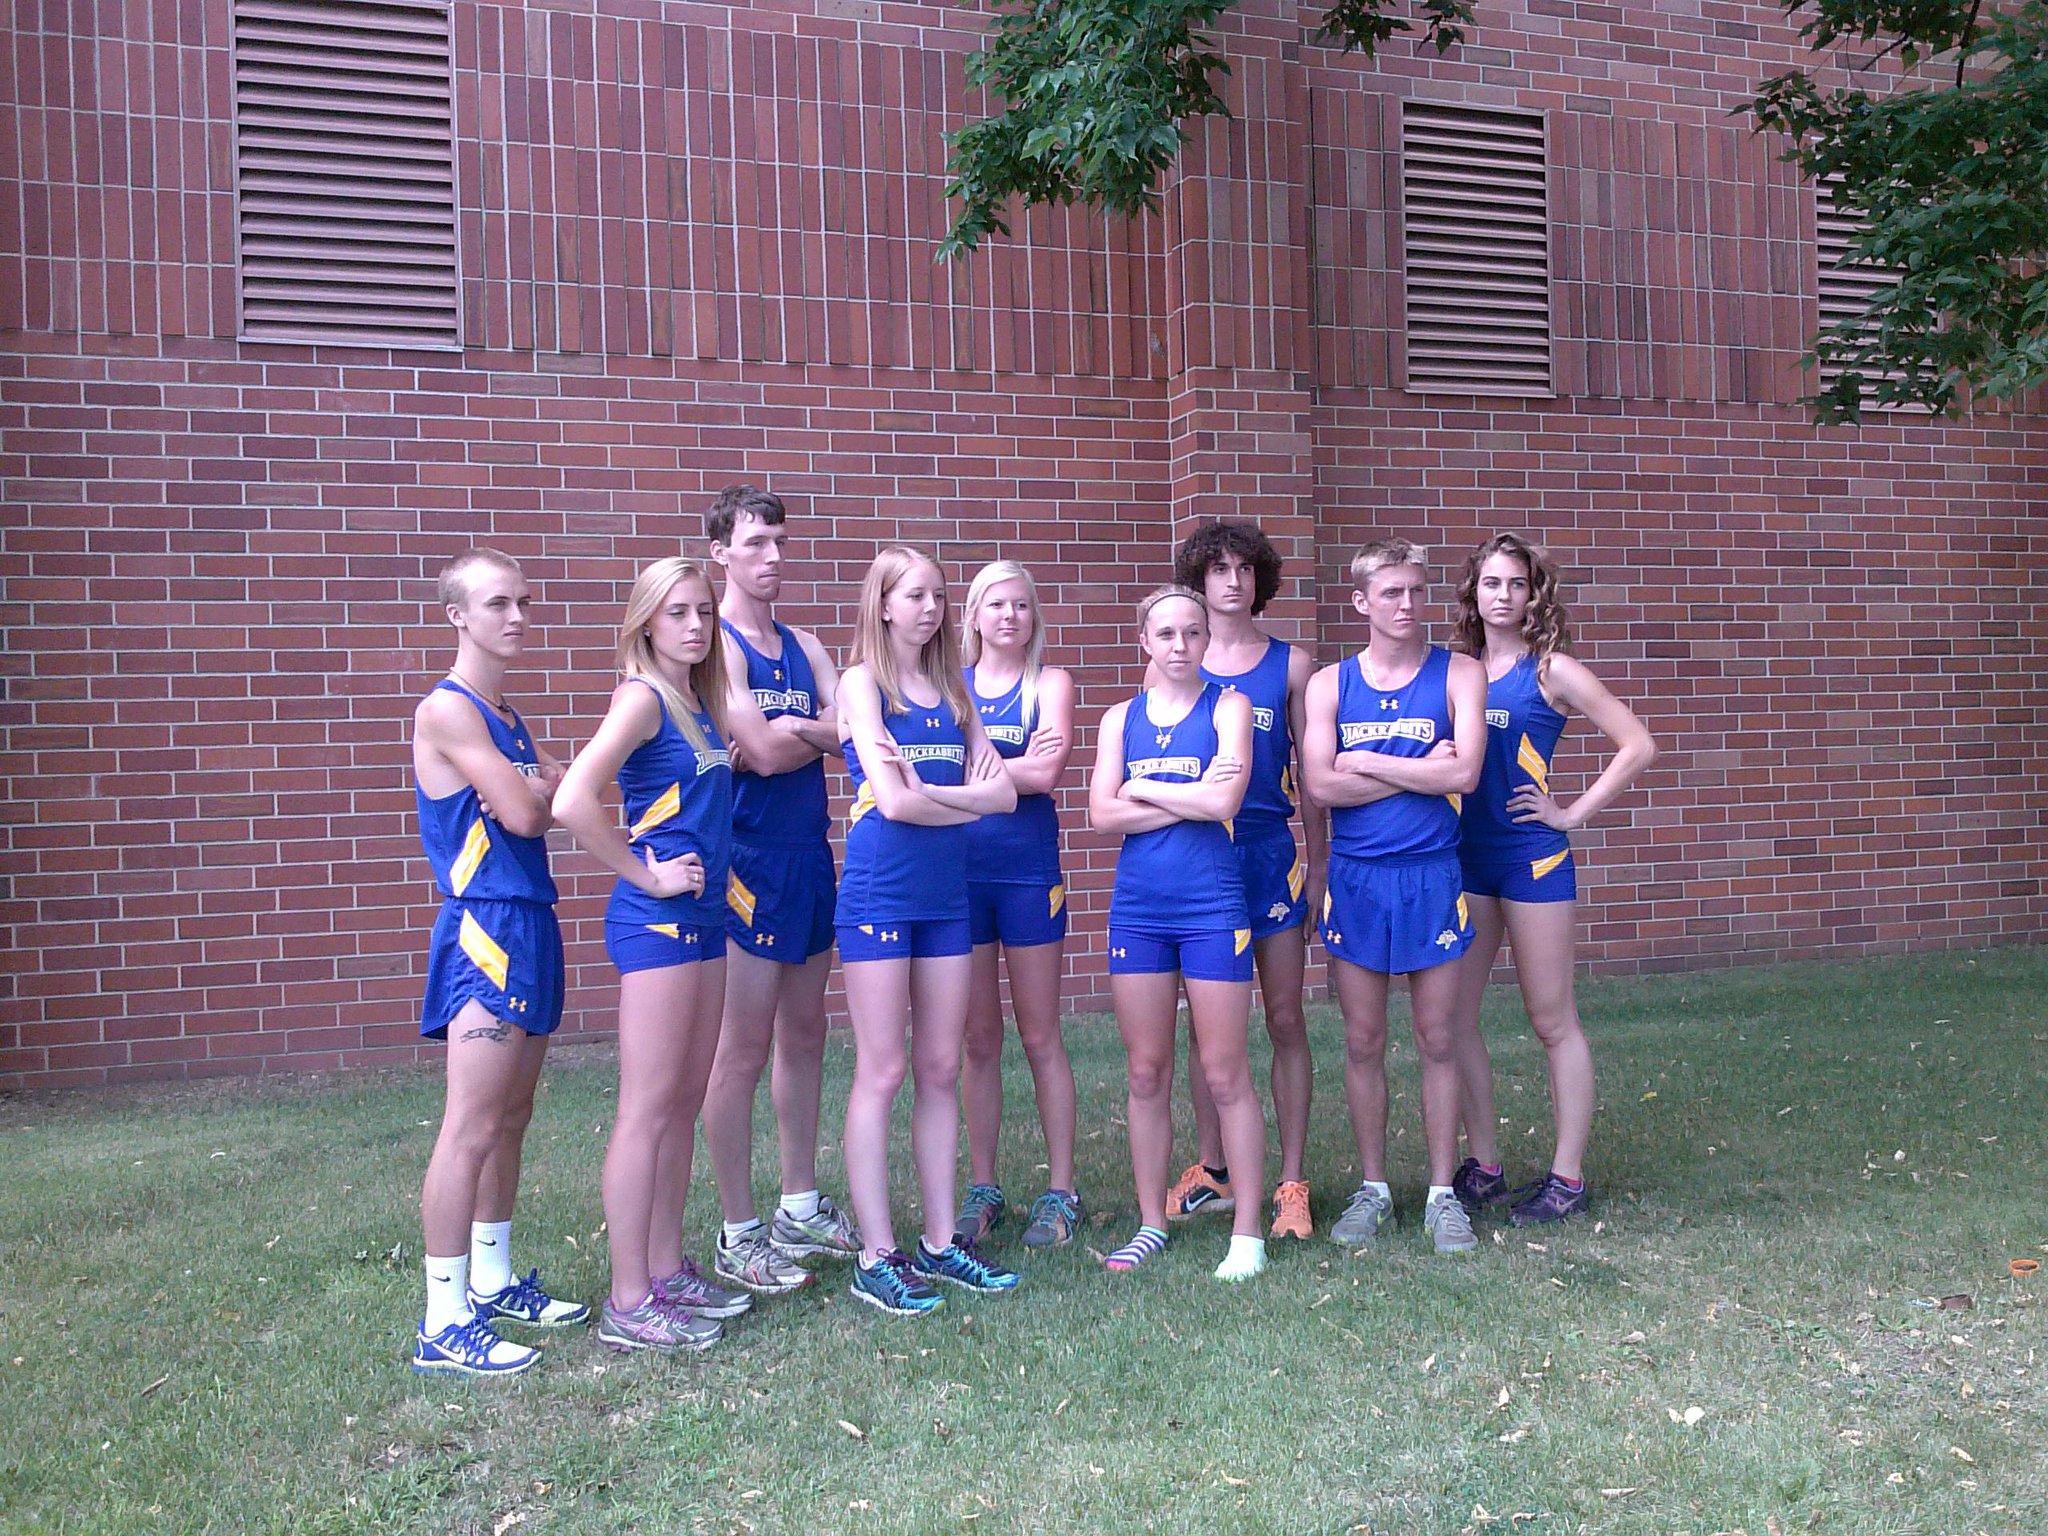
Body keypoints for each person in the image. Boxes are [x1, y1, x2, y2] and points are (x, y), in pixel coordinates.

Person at [554, 558, 818, 1352]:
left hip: (706, 920)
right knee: (646, 1106)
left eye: (703, 612)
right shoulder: (640, 697)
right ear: (645, 623)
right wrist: (645, 871)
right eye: (677, 614)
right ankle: (628, 1299)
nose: (696, 627)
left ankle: (665, 1271)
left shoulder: (697, 703)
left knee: (677, 1103)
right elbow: (573, 799)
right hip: (658, 922)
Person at [1445, 534, 1657, 1225]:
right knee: (1453, 1018)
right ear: (1472, 593)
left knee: (1551, 1019)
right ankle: (1486, 1165)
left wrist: (1569, 813)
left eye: (1515, 584)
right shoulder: (1457, 669)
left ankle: (1566, 1177)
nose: (1501, 595)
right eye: (1490, 583)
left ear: (1534, 594)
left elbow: (1637, 743)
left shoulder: (1551, 670)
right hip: (1467, 858)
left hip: (1533, 859)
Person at [409, 547, 586, 1377]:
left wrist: (546, 789)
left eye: (523, 602)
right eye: (498, 604)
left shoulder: (505, 714)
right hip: (485, 923)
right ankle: (442, 1320)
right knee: (471, 1124)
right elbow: (527, 809)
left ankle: (491, 1278)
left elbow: (557, 799)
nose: (517, 616)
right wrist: (544, 789)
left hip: (532, 919)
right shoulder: (449, 712)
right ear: (458, 615)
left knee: (511, 1119)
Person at [836, 546, 1022, 1315]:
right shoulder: (859, 684)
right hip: (883, 890)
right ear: (882, 604)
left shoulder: (953, 688)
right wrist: (952, 798)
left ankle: (942, 1243)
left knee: (941, 1067)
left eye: (939, 595)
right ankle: (877, 1254)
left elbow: (1007, 796)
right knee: (883, 1069)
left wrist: (929, 794)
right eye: (915, 595)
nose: (931, 608)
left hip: (948, 892)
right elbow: (892, 803)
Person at [696, 486, 861, 1298]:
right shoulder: (716, 646)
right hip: (749, 861)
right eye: (756, 544)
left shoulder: (805, 642)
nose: (772, 559)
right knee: (742, 1047)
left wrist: (791, 733)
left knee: (807, 1032)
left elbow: (851, 730)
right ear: (720, 552)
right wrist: (808, 734)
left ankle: (799, 1204)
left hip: (809, 854)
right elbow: (759, 753)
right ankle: (738, 1231)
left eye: (781, 544)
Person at [1301, 538, 1487, 1256]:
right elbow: (1320, 785)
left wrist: (1367, 760)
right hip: (1357, 877)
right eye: (1391, 593)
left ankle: (1443, 1195)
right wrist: (1419, 768)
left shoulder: (1458, 674)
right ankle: (1374, 1187)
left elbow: (1466, 772)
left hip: (1432, 874)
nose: (1407, 605)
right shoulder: (1328, 685)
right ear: (1362, 602)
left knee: (1439, 1038)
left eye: (1416, 591)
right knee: (1362, 1039)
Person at [1090, 586, 1268, 1283]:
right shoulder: (1118, 719)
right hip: (1139, 908)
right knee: (1145, 1071)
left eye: (1192, 633)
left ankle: (1248, 1233)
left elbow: (1225, 800)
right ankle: (1150, 1223)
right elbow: (1102, 814)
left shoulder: (1229, 706)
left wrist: (1144, 790)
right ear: (1144, 641)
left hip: (1211, 905)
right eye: (1165, 633)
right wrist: (1183, 796)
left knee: (1225, 1072)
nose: (1179, 644)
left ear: (1205, 641)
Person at [1161, 522, 1325, 1242]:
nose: (1233, 580)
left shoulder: (1291, 666)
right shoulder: (1175, 658)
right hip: (1200, 856)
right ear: (1197, 579)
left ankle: (1291, 1182)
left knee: (1285, 1017)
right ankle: (1214, 1169)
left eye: (1244, 568)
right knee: (1207, 1027)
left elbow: (1314, 783)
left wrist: (1319, 867)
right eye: (1218, 568)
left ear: (1261, 579)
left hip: (1267, 852)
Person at [953, 561, 1083, 1251]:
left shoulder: (1050, 683)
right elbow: (1008, 771)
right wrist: (1011, 771)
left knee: (1040, 1034)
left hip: (1028, 872)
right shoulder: (953, 684)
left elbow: (1048, 773)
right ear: (972, 616)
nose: (1009, 616)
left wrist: (977, 773)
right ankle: (983, 1184)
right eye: (995, 605)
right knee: (978, 1038)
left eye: (1022, 605)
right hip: (962, 875)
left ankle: (1062, 1189)